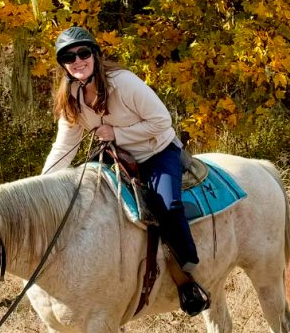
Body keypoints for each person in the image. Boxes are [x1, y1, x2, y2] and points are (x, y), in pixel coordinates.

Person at [42, 26, 209, 316]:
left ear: (95, 55)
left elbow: (162, 122)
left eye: (83, 53)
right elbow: (64, 148)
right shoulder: (71, 96)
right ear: (64, 65)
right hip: (116, 156)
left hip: (156, 152)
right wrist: (42, 188)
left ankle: (189, 272)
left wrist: (116, 133)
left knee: (166, 205)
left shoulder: (125, 82)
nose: (77, 60)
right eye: (69, 57)